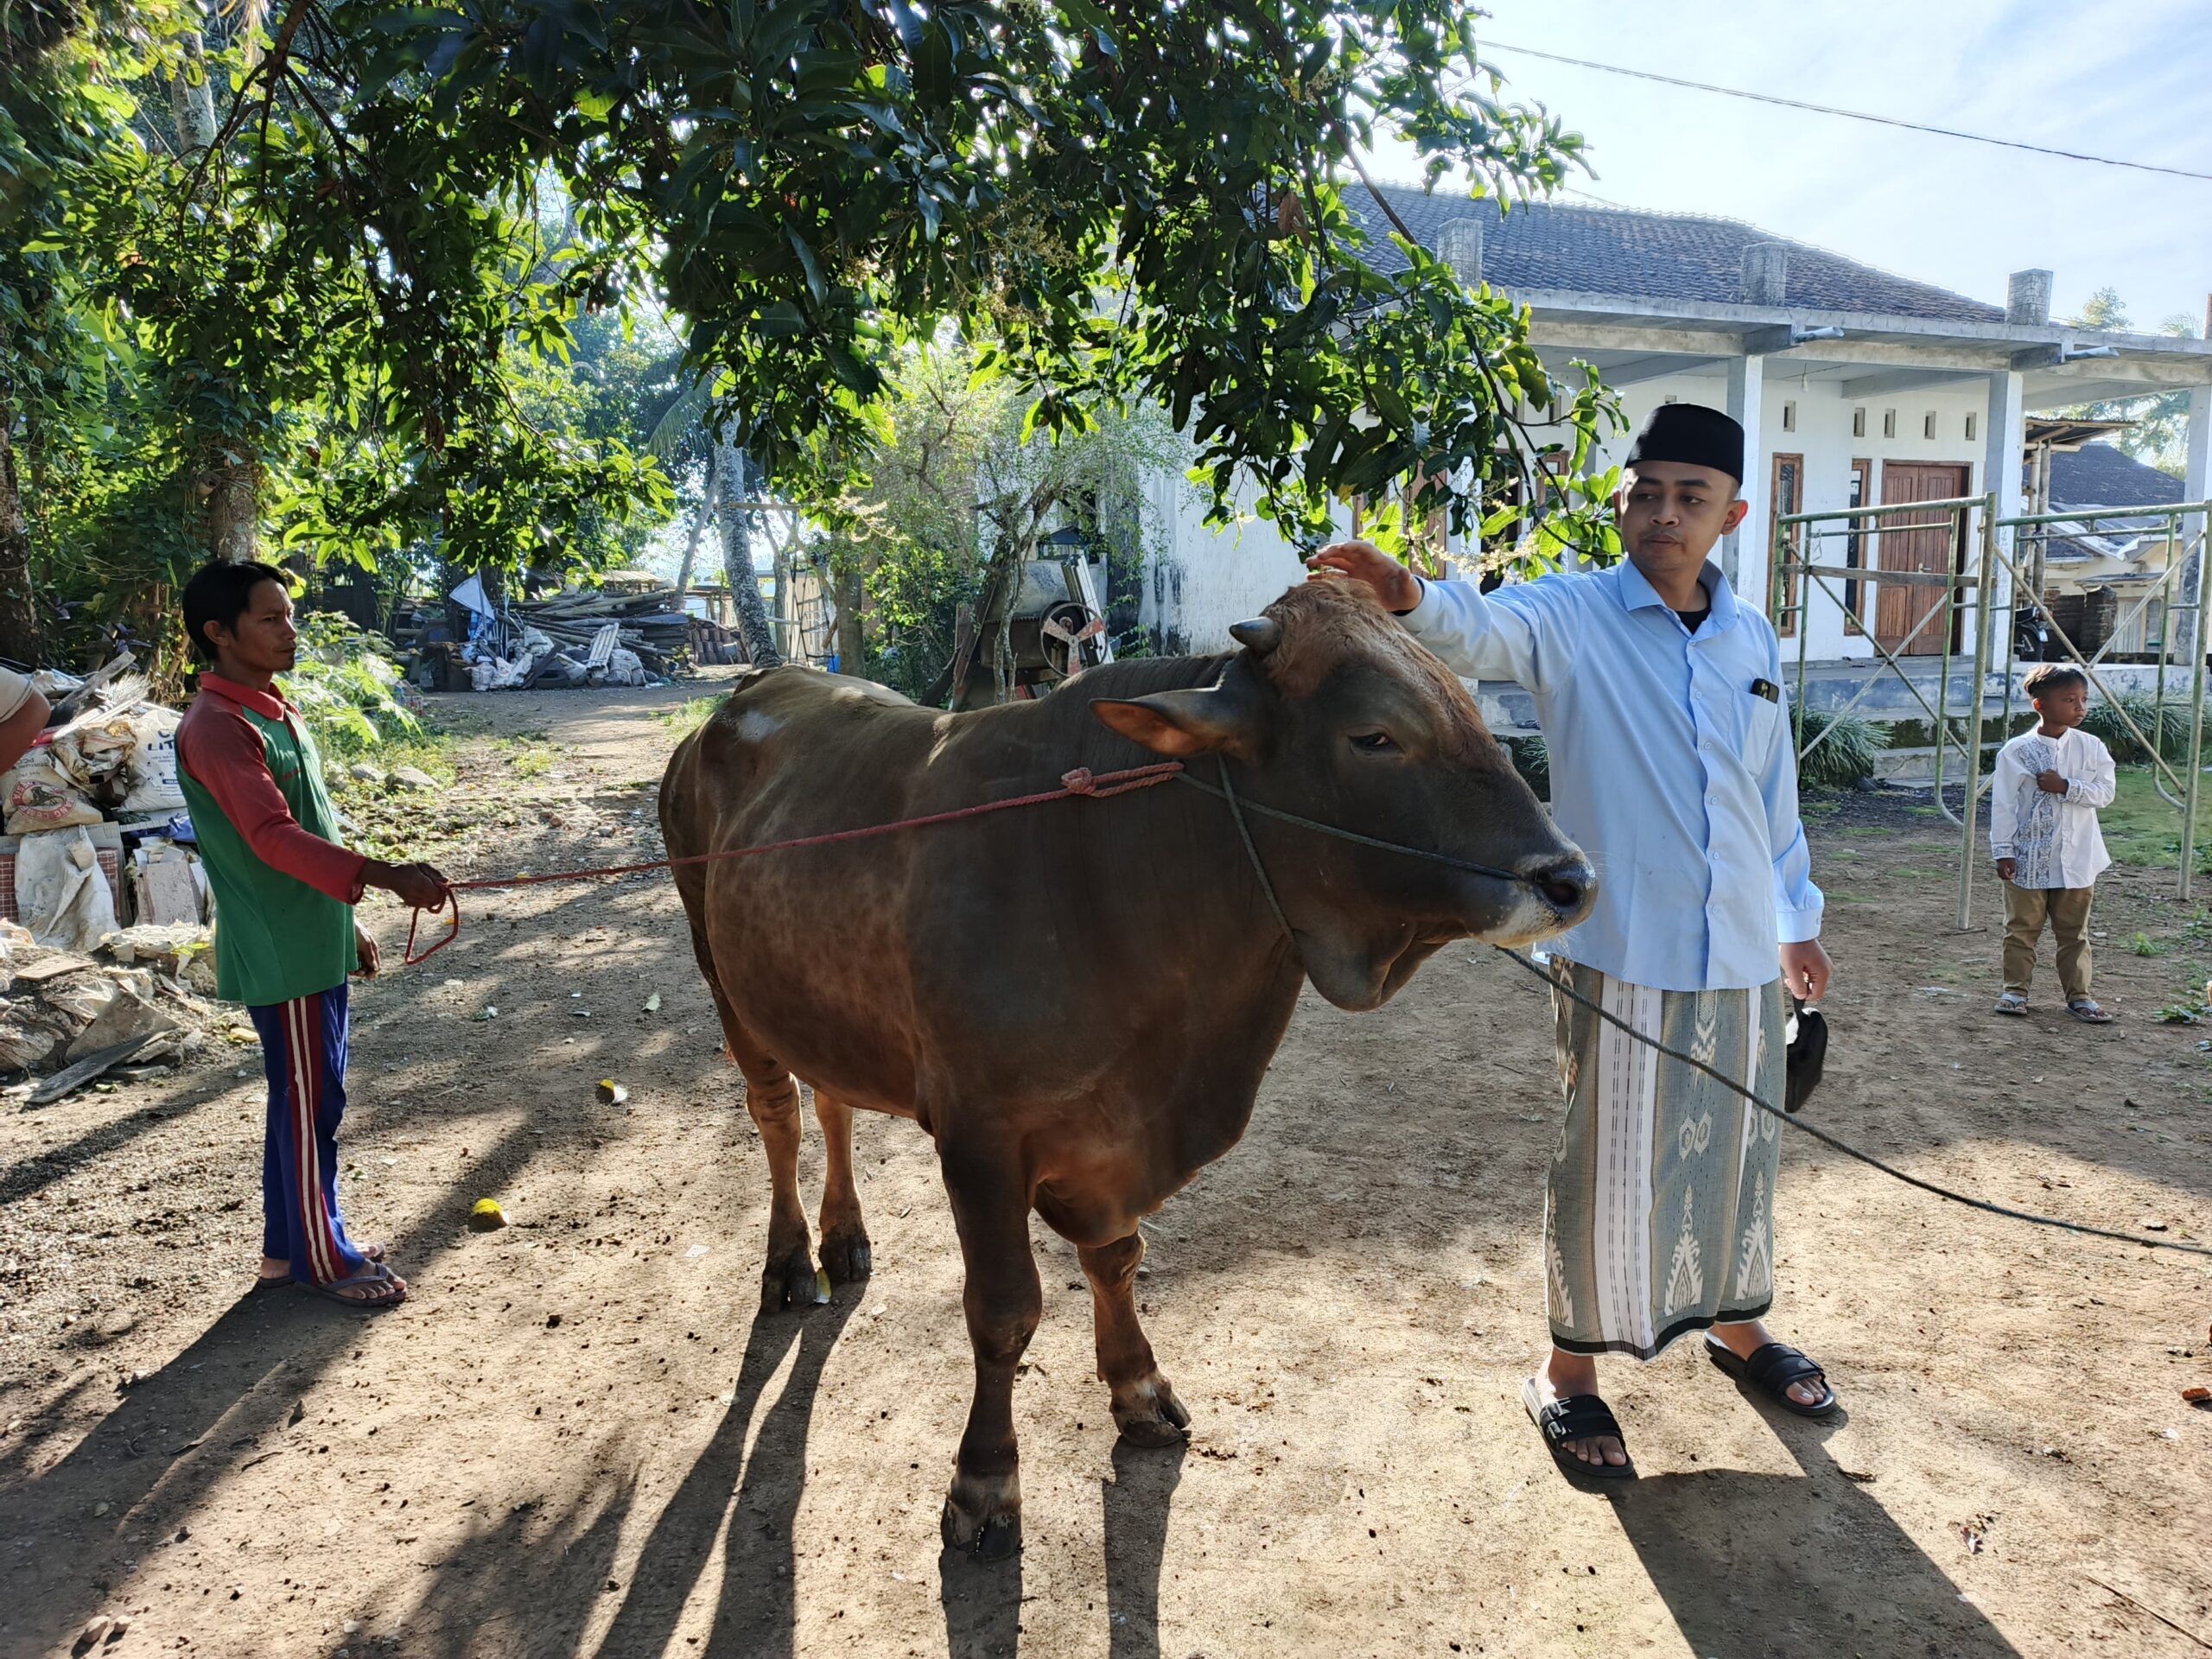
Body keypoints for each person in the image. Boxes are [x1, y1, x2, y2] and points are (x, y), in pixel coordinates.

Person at [1311, 403, 1837, 1479]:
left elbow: (1769, 799)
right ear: (1622, 504)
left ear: (1730, 515)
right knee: (1607, 1162)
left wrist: (1795, 925)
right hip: (1621, 951)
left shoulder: (1752, 638)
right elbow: (1475, 625)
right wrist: (1404, 590)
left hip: (1741, 949)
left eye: (1689, 498)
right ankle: (1567, 1376)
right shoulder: (1574, 616)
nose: (1663, 514)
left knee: (1740, 1151)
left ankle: (1738, 1328)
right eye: (1645, 493)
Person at [175, 562, 449, 1309]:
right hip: (281, 948)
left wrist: (348, 914)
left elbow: (308, 827)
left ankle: (287, 1248)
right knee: (308, 1105)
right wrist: (386, 874)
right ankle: (323, 1261)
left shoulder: (268, 709)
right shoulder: (219, 727)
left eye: (288, 615)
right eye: (270, 618)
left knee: (309, 1100)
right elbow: (271, 836)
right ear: (219, 634)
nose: (288, 629)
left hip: (312, 932)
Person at [1989, 663, 2116, 1023]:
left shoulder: (2091, 747)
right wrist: (2003, 851)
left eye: (2083, 700)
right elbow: (2004, 805)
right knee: (2020, 929)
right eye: (2069, 699)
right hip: (2027, 857)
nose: (2080, 707)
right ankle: (2014, 991)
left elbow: (2106, 792)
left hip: (2079, 859)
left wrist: (2067, 787)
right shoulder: (2016, 751)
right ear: (2040, 705)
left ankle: (2080, 997)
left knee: (2075, 933)